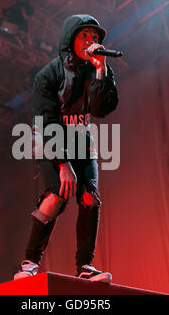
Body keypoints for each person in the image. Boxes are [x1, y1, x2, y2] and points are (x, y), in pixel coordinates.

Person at [14, 14, 119, 283]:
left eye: (95, 37)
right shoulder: (48, 75)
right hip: (51, 139)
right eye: (85, 35)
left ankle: (85, 266)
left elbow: (101, 109)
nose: (92, 41)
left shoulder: (98, 68)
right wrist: (63, 165)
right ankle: (29, 264)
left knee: (89, 197)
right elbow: (47, 122)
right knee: (57, 198)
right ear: (70, 38)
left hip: (81, 139)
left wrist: (100, 70)